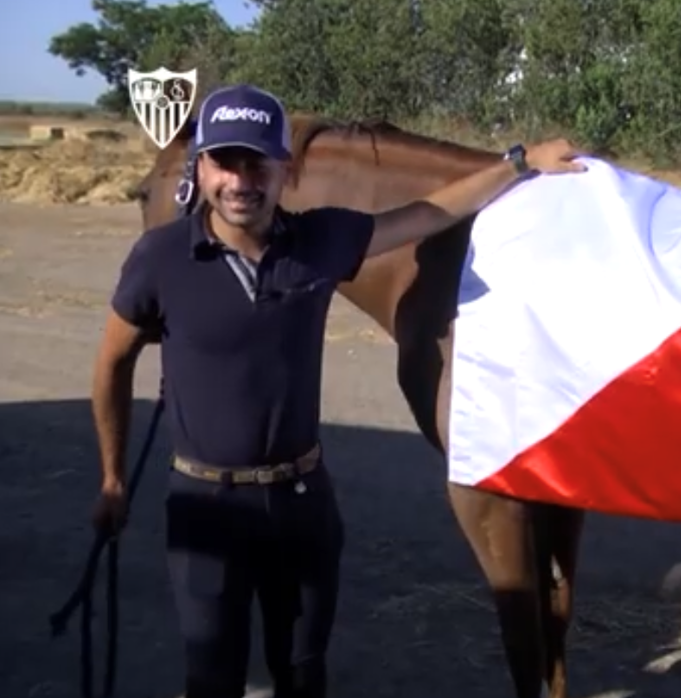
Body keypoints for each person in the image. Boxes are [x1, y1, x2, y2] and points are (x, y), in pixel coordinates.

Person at [88, 83, 585, 698]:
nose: (240, 180)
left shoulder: (318, 242)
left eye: (257, 163)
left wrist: (517, 162)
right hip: (204, 505)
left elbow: (427, 213)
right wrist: (112, 476)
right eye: (224, 162)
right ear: (201, 168)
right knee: (212, 676)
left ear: (284, 170)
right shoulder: (159, 257)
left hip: (300, 504)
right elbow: (113, 361)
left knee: (301, 670)